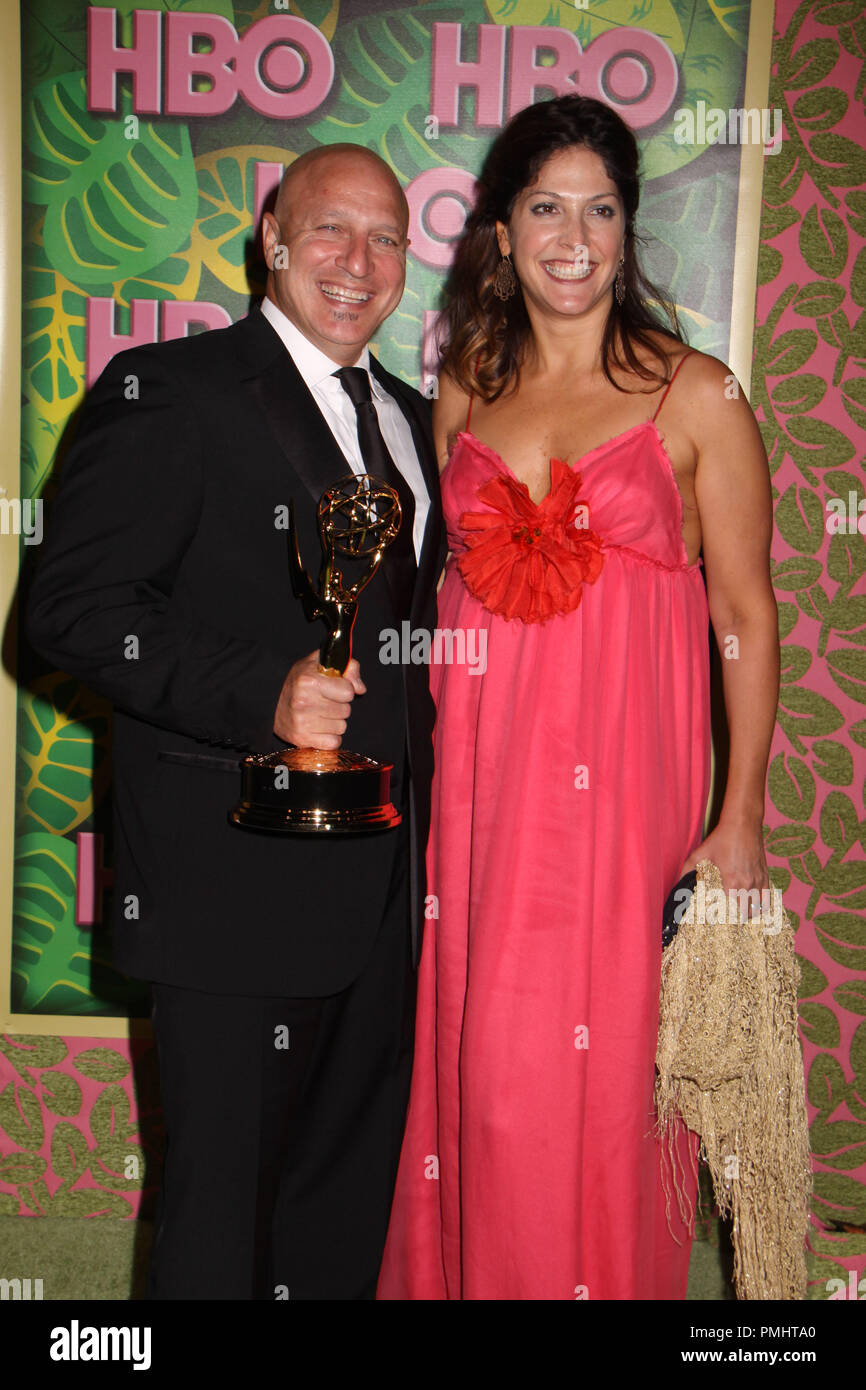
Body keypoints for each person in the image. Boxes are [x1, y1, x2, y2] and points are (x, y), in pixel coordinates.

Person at [377, 95, 780, 1301]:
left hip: (625, 809)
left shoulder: (696, 395)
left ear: (628, 228)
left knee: (603, 1096)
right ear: (500, 230)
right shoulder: (460, 397)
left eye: (598, 208)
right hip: (484, 805)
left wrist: (740, 816)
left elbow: (744, 617)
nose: (572, 233)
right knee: (485, 1075)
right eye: (543, 206)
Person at [27, 145, 444, 1300]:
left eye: (385, 239)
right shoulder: (166, 389)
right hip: (228, 882)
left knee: (338, 1218)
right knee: (217, 1233)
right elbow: (67, 610)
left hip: (389, 898)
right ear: (271, 236)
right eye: (328, 231)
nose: (356, 263)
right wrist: (259, 688)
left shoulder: (416, 422)